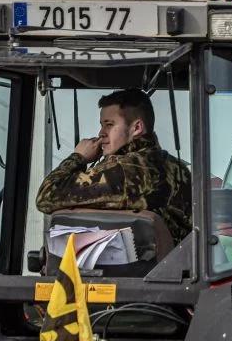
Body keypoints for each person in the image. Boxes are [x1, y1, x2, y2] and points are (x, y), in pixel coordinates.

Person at [36, 88, 191, 242]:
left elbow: (46, 196)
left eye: (109, 125)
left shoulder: (124, 170)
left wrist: (78, 157)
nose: (101, 133)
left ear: (136, 128)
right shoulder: (178, 168)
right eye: (102, 125)